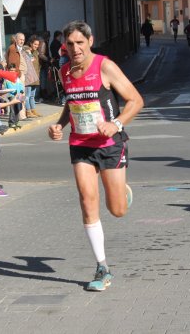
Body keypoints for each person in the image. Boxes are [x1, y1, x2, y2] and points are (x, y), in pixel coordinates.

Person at [47, 21, 144, 291]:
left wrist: (116, 124)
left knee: (117, 210)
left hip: (110, 144)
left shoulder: (105, 66)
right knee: (87, 200)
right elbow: (72, 102)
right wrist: (59, 125)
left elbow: (136, 100)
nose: (75, 48)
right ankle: (102, 267)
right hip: (81, 145)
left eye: (80, 42)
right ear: (64, 46)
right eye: (70, 44)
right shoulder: (65, 70)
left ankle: (120, 190)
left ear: (90, 41)